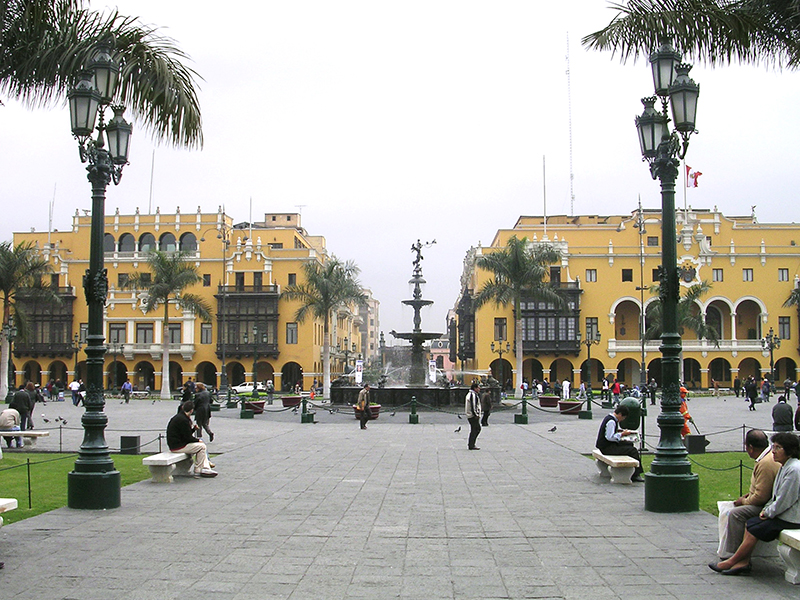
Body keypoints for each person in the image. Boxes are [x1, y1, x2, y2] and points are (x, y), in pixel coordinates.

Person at [709, 432, 800, 576]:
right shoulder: (784, 466)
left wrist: (767, 512)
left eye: (778, 447)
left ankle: (731, 561)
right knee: (752, 523)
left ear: (789, 450)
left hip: (791, 518)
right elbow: (775, 495)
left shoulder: (794, 470)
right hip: (781, 514)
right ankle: (741, 562)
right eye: (773, 447)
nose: (774, 451)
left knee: (754, 527)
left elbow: (784, 500)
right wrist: (766, 510)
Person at [717, 429, 781, 559]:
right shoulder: (765, 458)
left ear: (750, 447)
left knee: (735, 514)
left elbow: (761, 497)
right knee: (732, 509)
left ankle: (733, 554)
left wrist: (743, 501)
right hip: (766, 501)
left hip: (766, 505)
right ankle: (733, 552)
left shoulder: (765, 463)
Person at [166, 400, 217, 477]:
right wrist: (197, 440)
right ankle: (199, 469)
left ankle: (206, 466)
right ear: (191, 410)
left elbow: (184, 434)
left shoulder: (180, 417)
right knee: (202, 446)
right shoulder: (184, 420)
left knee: (201, 443)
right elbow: (188, 438)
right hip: (178, 446)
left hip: (176, 444)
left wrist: (193, 430)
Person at [595, 404, 643, 482]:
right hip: (607, 448)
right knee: (632, 450)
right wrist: (622, 434)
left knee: (629, 444)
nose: (623, 419)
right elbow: (609, 437)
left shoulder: (610, 418)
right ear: (620, 414)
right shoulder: (611, 421)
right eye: (623, 417)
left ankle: (631, 470)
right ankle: (636, 474)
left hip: (606, 446)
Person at [9, 383, 33, 448]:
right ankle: (22, 430)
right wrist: (29, 408)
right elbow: (29, 402)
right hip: (25, 409)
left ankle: (18, 428)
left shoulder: (16, 394)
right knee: (23, 420)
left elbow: (13, 402)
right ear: (24, 388)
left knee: (17, 420)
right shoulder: (26, 394)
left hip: (18, 409)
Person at [465, 381, 482, 450]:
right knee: (476, 429)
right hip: (472, 415)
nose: (479, 389)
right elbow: (473, 405)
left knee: (475, 429)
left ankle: (471, 444)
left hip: (471, 415)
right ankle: (471, 444)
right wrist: (476, 414)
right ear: (475, 388)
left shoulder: (471, 394)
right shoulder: (473, 395)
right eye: (478, 388)